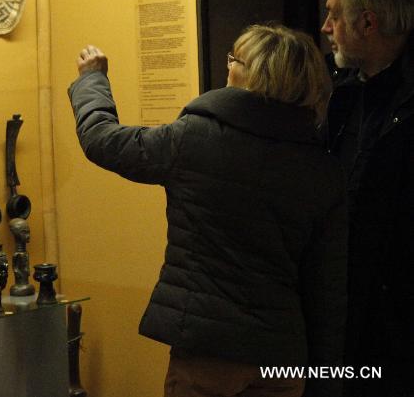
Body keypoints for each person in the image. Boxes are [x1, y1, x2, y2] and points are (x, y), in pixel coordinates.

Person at [69, 25, 346, 397]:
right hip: (281, 356)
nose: (228, 66)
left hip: (207, 351)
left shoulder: (195, 139)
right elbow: (327, 286)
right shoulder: (322, 169)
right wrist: (326, 373)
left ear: (254, 76)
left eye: (235, 60)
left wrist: (92, 79)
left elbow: (103, 140)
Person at [321, 0, 414, 397]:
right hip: (344, 306)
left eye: (334, 15)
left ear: (368, 23)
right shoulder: (334, 89)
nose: (325, 27)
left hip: (398, 318)